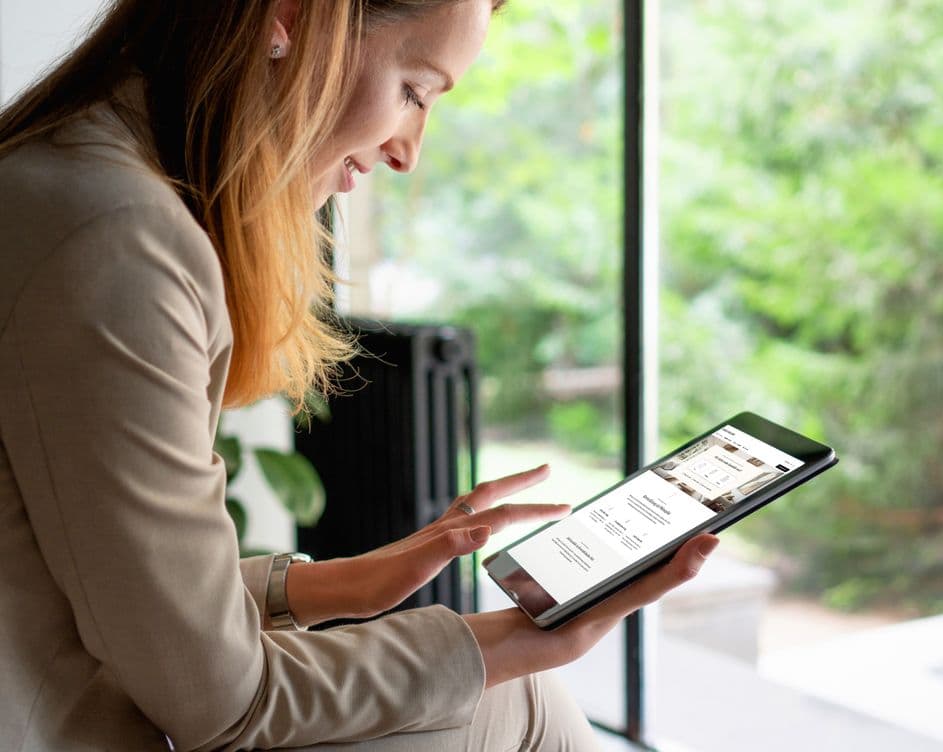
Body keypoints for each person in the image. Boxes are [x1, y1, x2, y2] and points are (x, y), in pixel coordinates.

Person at [0, 1, 719, 750]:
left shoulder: (63, 176)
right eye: (414, 90)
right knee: (521, 702)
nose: (408, 151)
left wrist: (344, 582)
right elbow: (218, 703)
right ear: (290, 17)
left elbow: (101, 586)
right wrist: (520, 643)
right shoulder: (120, 240)